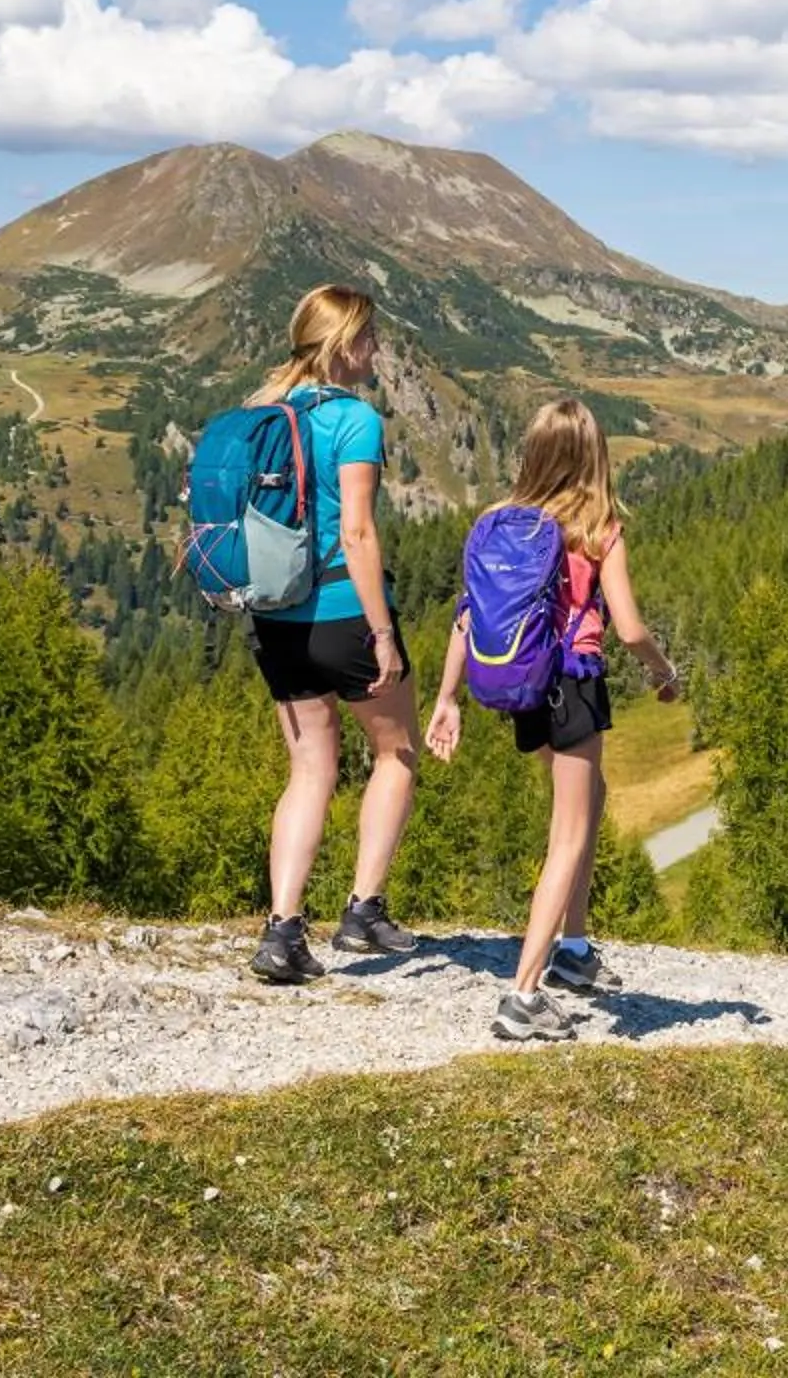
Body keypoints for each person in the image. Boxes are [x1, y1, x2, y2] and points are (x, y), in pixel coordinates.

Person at [428, 398, 682, 1043]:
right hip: (573, 682)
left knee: (588, 797)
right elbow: (627, 627)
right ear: (592, 455)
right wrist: (663, 673)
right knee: (568, 834)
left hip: (521, 685)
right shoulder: (600, 526)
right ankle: (523, 994)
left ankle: (574, 949)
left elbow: (468, 614)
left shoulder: (497, 521)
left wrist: (447, 697)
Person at [247, 285, 422, 985]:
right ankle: (363, 911)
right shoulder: (354, 419)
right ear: (347, 343)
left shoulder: (262, 411)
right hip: (343, 609)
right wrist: (382, 632)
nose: (377, 349)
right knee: (397, 751)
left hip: (273, 614)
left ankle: (282, 932)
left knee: (310, 769)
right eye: (372, 337)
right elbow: (356, 531)